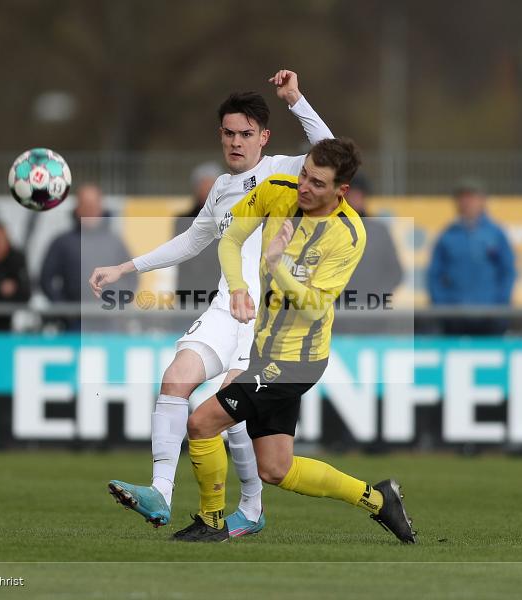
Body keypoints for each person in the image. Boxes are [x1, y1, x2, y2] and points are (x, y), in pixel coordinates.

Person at [90, 69, 333, 538]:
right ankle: (160, 491)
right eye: (229, 133)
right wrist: (125, 267)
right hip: (227, 307)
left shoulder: (283, 170)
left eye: (246, 134)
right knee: (175, 379)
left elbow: (332, 150)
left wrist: (295, 99)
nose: (236, 142)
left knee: (232, 412)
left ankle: (251, 508)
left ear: (264, 137)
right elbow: (190, 241)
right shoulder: (221, 188)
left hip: (270, 319)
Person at [172, 138, 415, 543]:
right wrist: (237, 287)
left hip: (295, 361)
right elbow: (230, 239)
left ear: (342, 191)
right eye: (305, 174)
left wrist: (276, 266)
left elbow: (317, 305)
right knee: (275, 468)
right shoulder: (277, 189)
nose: (304, 186)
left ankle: (211, 521)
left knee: (201, 422)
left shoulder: (350, 233)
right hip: (264, 349)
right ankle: (379, 500)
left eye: (318, 183)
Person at [39, 183, 135, 330]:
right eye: (85, 204)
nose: (90, 209)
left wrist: (119, 305)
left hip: (110, 322)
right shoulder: (62, 242)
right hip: (74, 324)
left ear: (101, 207)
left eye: (94, 204)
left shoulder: (115, 242)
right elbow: (46, 279)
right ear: (77, 207)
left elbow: (132, 276)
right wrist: (64, 310)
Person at [426, 179, 516, 335]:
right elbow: (434, 274)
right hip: (455, 315)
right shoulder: (447, 235)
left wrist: (500, 304)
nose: (467, 203)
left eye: (472, 198)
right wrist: (442, 304)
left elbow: (507, 271)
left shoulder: (495, 234)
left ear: (482, 201)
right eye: (462, 198)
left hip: (490, 315)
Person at [338, 173, 403, 331]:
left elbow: (395, 272)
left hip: (372, 316)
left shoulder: (379, 231)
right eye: (350, 194)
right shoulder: (329, 228)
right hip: (336, 315)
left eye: (358, 194)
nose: (354, 198)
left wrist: (376, 299)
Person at [173, 162, 224, 300]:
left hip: (221, 294)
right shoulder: (182, 221)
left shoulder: (230, 218)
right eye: (203, 186)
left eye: (211, 186)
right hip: (190, 294)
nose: (207, 191)